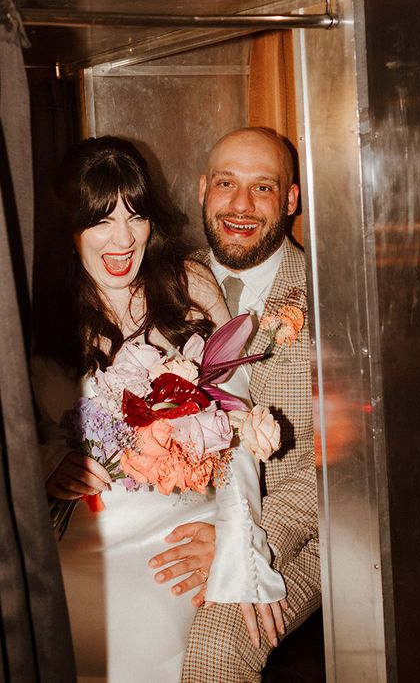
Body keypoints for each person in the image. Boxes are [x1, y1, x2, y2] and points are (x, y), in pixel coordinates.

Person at [31, 135, 286, 683]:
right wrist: (49, 459)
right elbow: (10, 431)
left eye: (136, 216)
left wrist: (239, 547)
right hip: (84, 529)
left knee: (140, 626)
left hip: (179, 521)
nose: (123, 239)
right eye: (101, 220)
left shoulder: (189, 285)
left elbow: (239, 425)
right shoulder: (38, 312)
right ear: (70, 228)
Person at [147, 127, 321, 682]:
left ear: (291, 200)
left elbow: (341, 468)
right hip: (178, 516)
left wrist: (240, 539)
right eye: (226, 184)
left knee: (220, 644)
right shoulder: (163, 285)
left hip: (299, 525)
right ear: (203, 190)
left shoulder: (331, 299)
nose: (241, 206)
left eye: (262, 188)